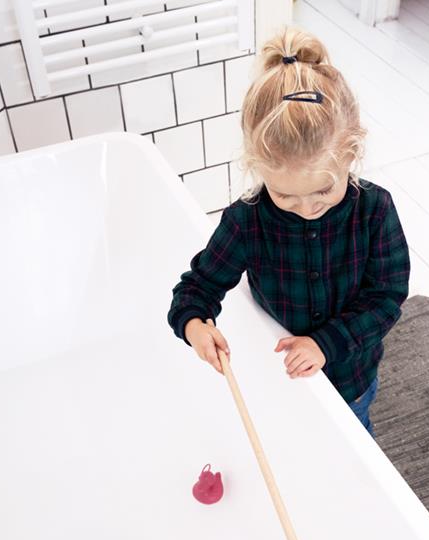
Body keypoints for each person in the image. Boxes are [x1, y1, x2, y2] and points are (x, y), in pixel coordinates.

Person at [166, 26, 411, 440]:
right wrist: (195, 326)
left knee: (351, 442)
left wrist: (325, 344)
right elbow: (197, 288)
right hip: (280, 374)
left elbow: (386, 297)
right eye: (285, 195)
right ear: (257, 168)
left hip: (351, 373)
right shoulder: (246, 221)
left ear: (352, 153)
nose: (308, 208)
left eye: (323, 191)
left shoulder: (375, 210)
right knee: (293, 438)